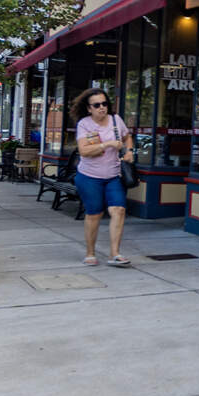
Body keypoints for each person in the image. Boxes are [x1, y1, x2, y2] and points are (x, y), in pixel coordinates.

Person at [72, 87, 131, 267]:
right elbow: (84, 150)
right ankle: (90, 253)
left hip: (113, 176)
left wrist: (129, 151)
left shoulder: (116, 120)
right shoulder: (84, 124)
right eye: (96, 105)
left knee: (118, 210)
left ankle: (115, 254)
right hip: (89, 177)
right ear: (89, 108)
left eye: (104, 103)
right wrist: (108, 144)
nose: (102, 108)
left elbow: (128, 137)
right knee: (94, 214)